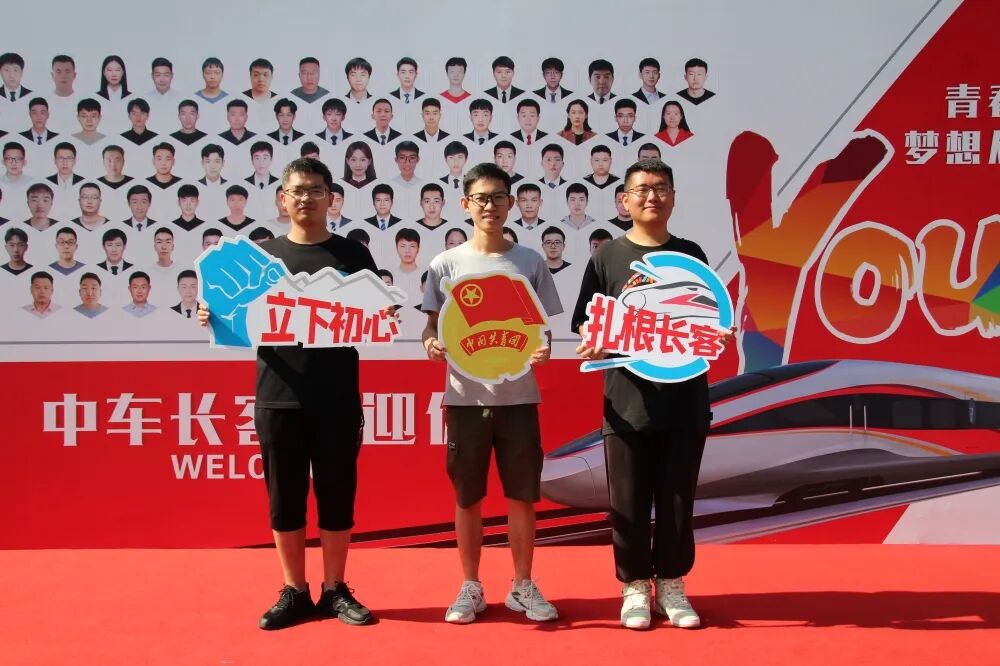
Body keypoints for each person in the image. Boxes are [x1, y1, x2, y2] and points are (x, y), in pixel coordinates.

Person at [198, 157, 376, 629]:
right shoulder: (259, 259)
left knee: (337, 494)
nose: (306, 198)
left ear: (331, 198)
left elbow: (375, 314)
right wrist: (212, 314)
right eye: (297, 190)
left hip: (336, 396)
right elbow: (231, 312)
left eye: (316, 190)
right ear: (282, 197)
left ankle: (335, 589)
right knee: (285, 497)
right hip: (277, 395)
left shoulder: (353, 256)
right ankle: (294, 590)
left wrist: (382, 311)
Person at [572, 158, 727, 631]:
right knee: (629, 501)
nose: (651, 197)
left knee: (678, 501)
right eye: (641, 190)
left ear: (674, 197)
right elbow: (586, 322)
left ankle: (672, 584)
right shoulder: (607, 257)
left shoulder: (690, 254)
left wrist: (717, 332)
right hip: (626, 404)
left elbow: (709, 316)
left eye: (660, 188)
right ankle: (636, 586)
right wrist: (594, 339)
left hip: (684, 401)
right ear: (624, 200)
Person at [421, 162, 562, 625]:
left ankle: (522, 584)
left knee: (522, 495)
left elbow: (541, 331)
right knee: (468, 496)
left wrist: (544, 349)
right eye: (481, 198)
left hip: (519, 398)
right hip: (466, 399)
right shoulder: (445, 265)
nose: (490, 206)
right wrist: (431, 344)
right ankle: (471, 585)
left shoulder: (530, 263)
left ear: (511, 203)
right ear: (465, 204)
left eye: (499, 197)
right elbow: (431, 326)